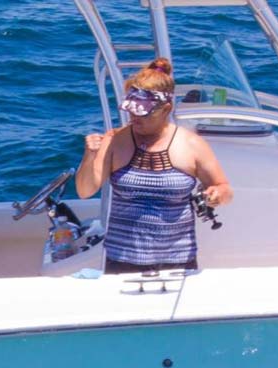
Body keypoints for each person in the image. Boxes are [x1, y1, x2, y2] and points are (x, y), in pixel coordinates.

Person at [75, 57, 233, 274]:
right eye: (131, 110)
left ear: (166, 109)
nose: (134, 118)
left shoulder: (191, 144)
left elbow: (224, 188)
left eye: (143, 113)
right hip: (121, 260)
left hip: (178, 262)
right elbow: (85, 191)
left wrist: (216, 194)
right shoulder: (114, 140)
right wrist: (89, 156)